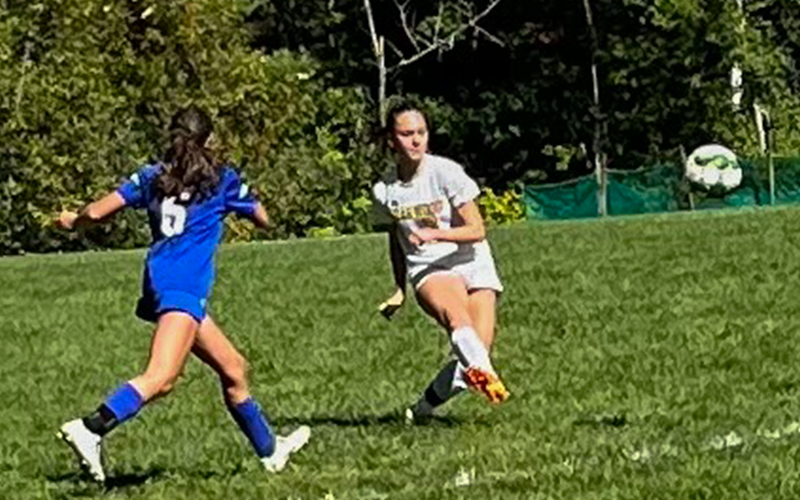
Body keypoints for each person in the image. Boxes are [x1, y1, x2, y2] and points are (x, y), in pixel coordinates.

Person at [55, 106, 310, 482]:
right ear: (209, 140)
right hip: (184, 286)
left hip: (161, 280)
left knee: (233, 369)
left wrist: (73, 220)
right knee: (161, 377)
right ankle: (91, 428)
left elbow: (97, 211)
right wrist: (243, 201)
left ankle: (271, 451)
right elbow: (264, 217)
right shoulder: (220, 180)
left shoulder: (152, 176)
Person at [372, 102, 510, 424]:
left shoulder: (446, 172)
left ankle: (422, 409)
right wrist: (399, 287)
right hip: (430, 267)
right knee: (456, 318)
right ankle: (485, 374)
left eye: (421, 132)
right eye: (407, 134)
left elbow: (477, 230)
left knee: (476, 351)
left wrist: (436, 233)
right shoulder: (384, 190)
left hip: (472, 260)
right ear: (392, 140)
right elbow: (395, 239)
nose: (416, 140)